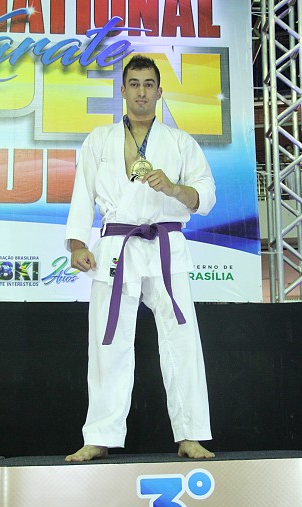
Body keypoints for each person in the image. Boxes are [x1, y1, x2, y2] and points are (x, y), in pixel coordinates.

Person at [64, 55, 216, 462]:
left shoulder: (181, 142)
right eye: (134, 84)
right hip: (117, 246)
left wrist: (174, 188)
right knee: (108, 341)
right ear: (123, 90)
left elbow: (205, 197)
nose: (142, 92)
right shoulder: (99, 140)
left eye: (149, 84)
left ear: (160, 92)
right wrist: (77, 244)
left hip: (166, 246)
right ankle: (99, 435)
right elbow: (82, 194)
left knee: (182, 340)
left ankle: (191, 434)